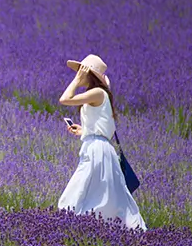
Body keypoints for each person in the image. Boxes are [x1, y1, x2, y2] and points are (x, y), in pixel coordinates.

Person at [57, 54, 146, 231]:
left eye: (81, 71)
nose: (78, 74)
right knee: (103, 195)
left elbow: (64, 99)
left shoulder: (97, 92)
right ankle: (96, 231)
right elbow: (102, 126)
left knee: (80, 193)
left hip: (97, 150)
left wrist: (76, 81)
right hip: (98, 147)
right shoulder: (98, 95)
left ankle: (70, 228)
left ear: (88, 74)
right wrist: (83, 131)